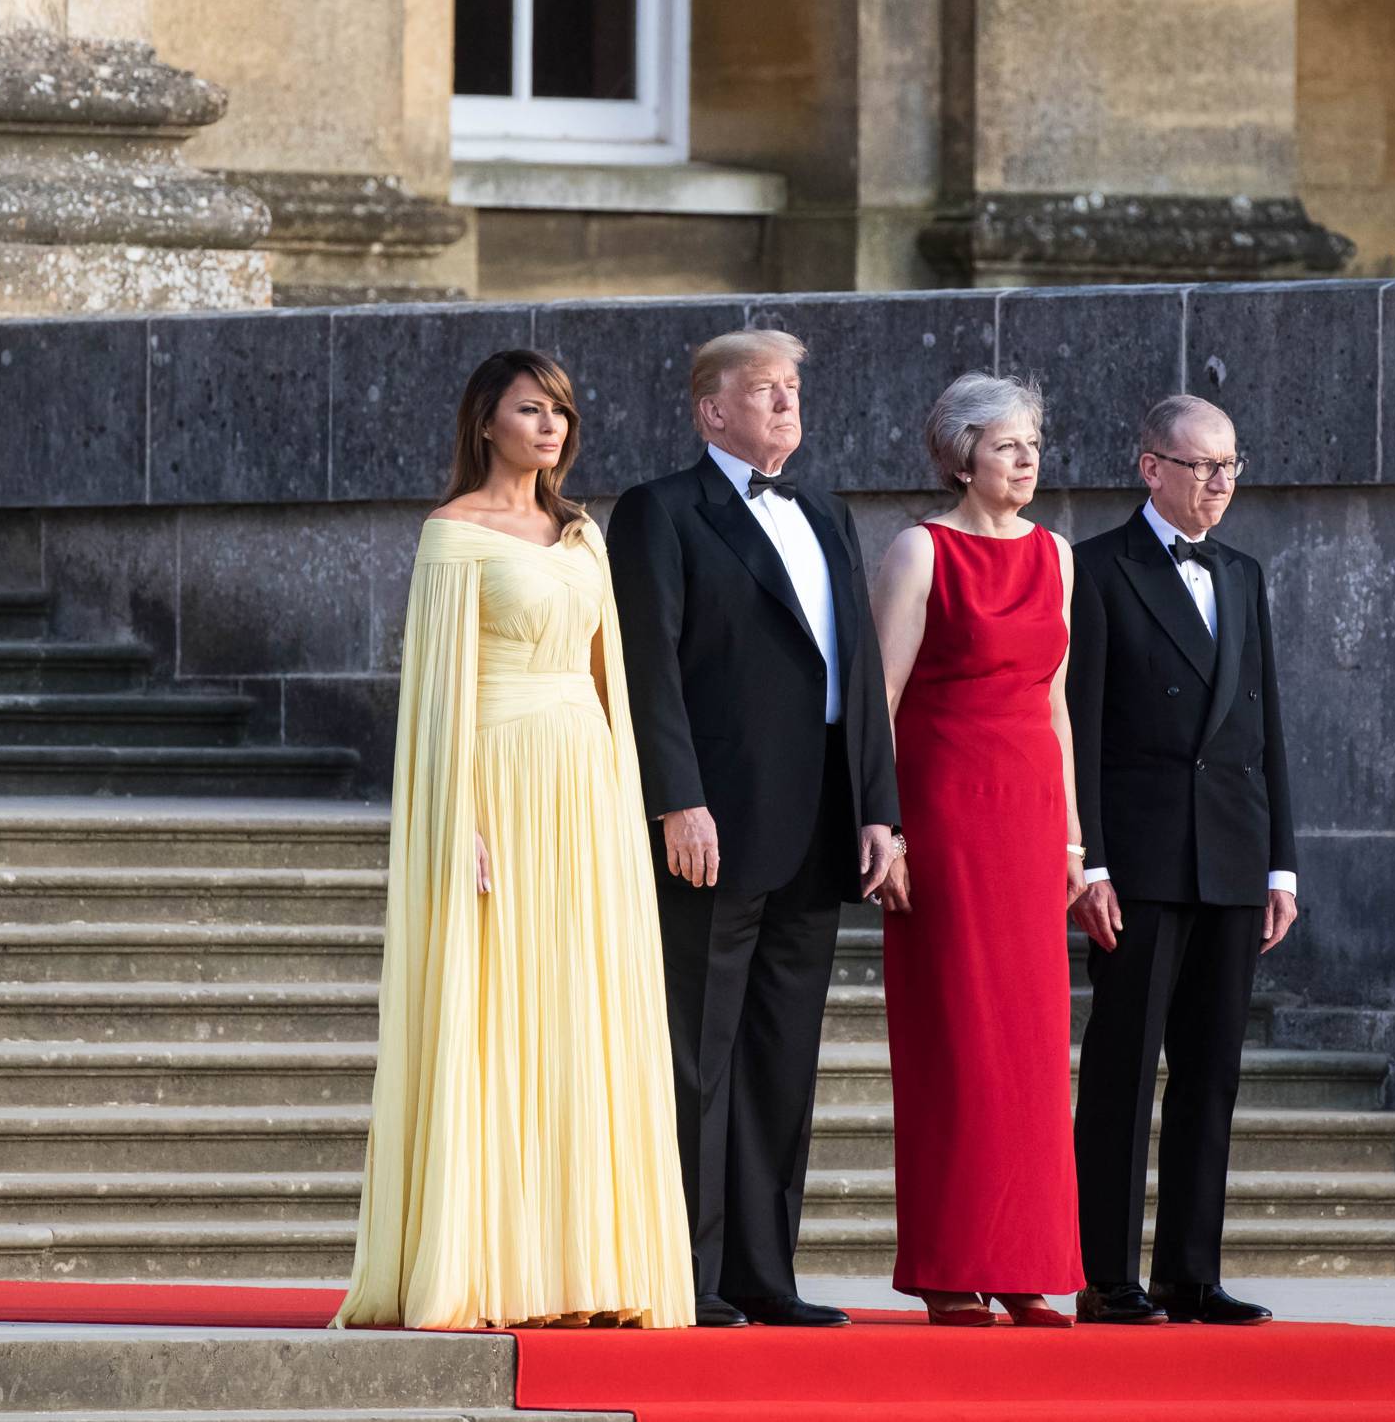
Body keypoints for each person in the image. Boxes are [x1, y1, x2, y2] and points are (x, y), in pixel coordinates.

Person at [336, 348, 691, 1330]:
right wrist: (461, 824)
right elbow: (436, 698)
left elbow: (609, 678)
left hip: (583, 788)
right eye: (532, 409)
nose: (551, 427)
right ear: (486, 419)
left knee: (582, 1018)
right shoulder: (452, 535)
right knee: (497, 1017)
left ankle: (586, 1270)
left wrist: (630, 806)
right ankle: (488, 1265)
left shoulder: (585, 535)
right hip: (498, 778)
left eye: (562, 413)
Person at [608, 329, 902, 1329]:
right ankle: (684, 1273)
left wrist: (879, 807)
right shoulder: (662, 510)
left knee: (783, 1053)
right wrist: (675, 797)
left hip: (820, 819)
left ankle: (764, 1273)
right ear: (710, 408)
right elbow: (651, 665)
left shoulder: (825, 509)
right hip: (715, 821)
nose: (785, 403)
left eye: (793, 387)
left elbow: (854, 672)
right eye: (763, 388)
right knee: (699, 1050)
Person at [1067, 394, 1298, 1327]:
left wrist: (1283, 863)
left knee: (1213, 1071)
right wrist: (1090, 862)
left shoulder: (1242, 573)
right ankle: (1106, 1274)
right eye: (1203, 465)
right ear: (1150, 467)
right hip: (1143, 857)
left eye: (1232, 464)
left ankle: (1189, 1271)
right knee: (1124, 1070)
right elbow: (1078, 731)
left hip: (1235, 855)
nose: (1221, 482)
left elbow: (1266, 722)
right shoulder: (1096, 571)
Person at [868, 375, 1085, 1327]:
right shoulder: (921, 549)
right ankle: (953, 1264)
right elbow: (878, 703)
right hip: (948, 814)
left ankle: (1027, 1265)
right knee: (959, 1041)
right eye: (1008, 445)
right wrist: (887, 828)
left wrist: (1075, 837)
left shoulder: (1058, 555)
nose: (1027, 460)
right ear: (961, 454)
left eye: (1034, 443)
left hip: (1032, 817)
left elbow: (1056, 703)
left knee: (1033, 1053)